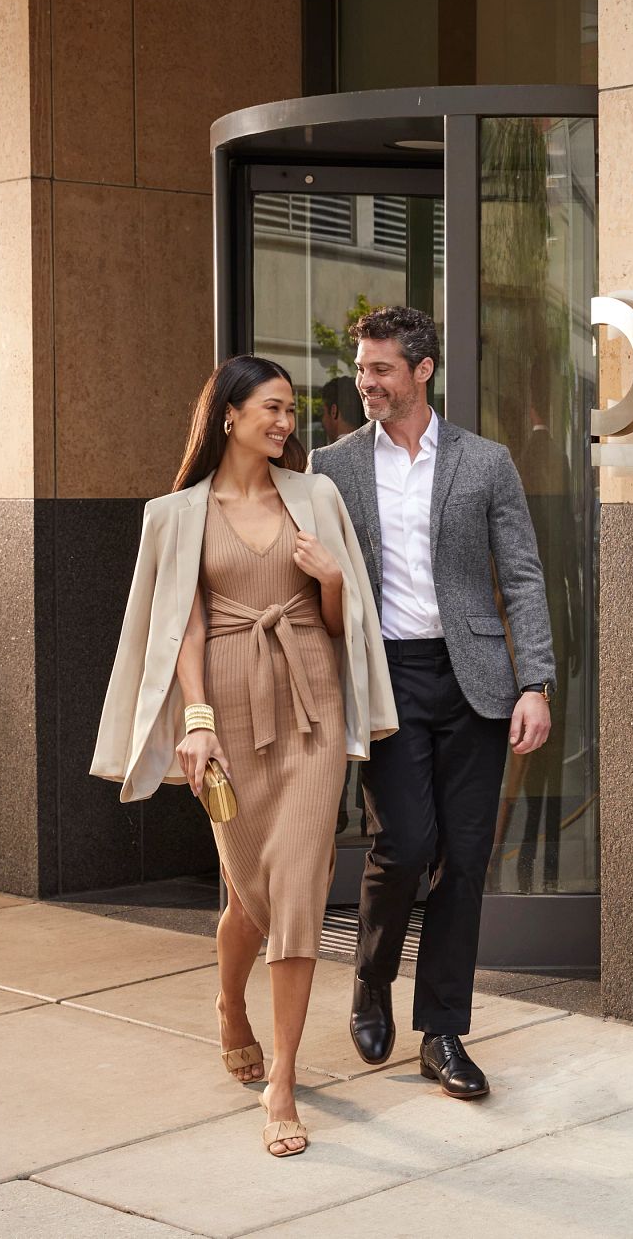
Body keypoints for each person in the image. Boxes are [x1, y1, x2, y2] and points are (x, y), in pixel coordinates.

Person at [92, 355, 396, 1159]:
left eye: (291, 410)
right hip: (225, 707)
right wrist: (196, 723)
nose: (285, 422)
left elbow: (341, 624)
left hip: (310, 703)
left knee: (298, 888)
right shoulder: (177, 513)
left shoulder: (316, 497)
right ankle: (232, 1001)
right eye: (270, 407)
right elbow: (181, 629)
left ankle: (284, 1081)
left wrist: (332, 577)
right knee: (251, 894)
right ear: (228, 414)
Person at [310, 305, 555, 1100]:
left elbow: (521, 575)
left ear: (423, 370)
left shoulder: (486, 462)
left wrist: (535, 681)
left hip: (475, 682)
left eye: (380, 368)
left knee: (465, 858)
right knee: (406, 843)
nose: (365, 381)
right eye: (361, 366)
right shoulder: (332, 466)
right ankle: (373, 974)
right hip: (385, 678)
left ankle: (442, 1030)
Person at [319, 375, 366, 444]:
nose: (322, 421)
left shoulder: (324, 454)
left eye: (323, 413)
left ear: (333, 411)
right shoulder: (377, 449)